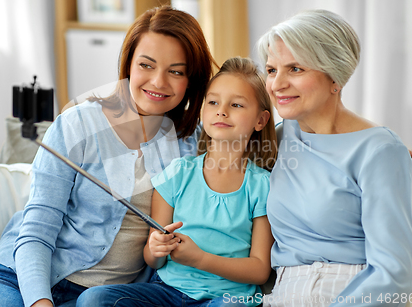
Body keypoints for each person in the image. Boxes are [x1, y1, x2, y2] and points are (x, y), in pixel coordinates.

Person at [0, 5, 216, 307]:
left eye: (175, 71)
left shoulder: (193, 142)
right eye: (146, 65)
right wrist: (40, 302)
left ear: (191, 79)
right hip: (19, 278)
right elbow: (37, 229)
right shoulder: (77, 124)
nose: (158, 81)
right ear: (128, 65)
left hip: (103, 297)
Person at [75, 57, 277, 307]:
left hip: (227, 297)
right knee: (93, 299)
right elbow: (153, 260)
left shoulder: (263, 186)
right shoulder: (177, 174)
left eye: (236, 104)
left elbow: (259, 271)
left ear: (261, 120)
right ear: (203, 111)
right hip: (168, 293)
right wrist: (156, 247)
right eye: (213, 102)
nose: (221, 110)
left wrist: (200, 259)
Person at [257, 9, 412, 306]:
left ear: (335, 74)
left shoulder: (380, 151)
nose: (277, 84)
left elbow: (394, 273)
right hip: (283, 294)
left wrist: (385, 154)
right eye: (272, 70)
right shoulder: (279, 137)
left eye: (295, 69)